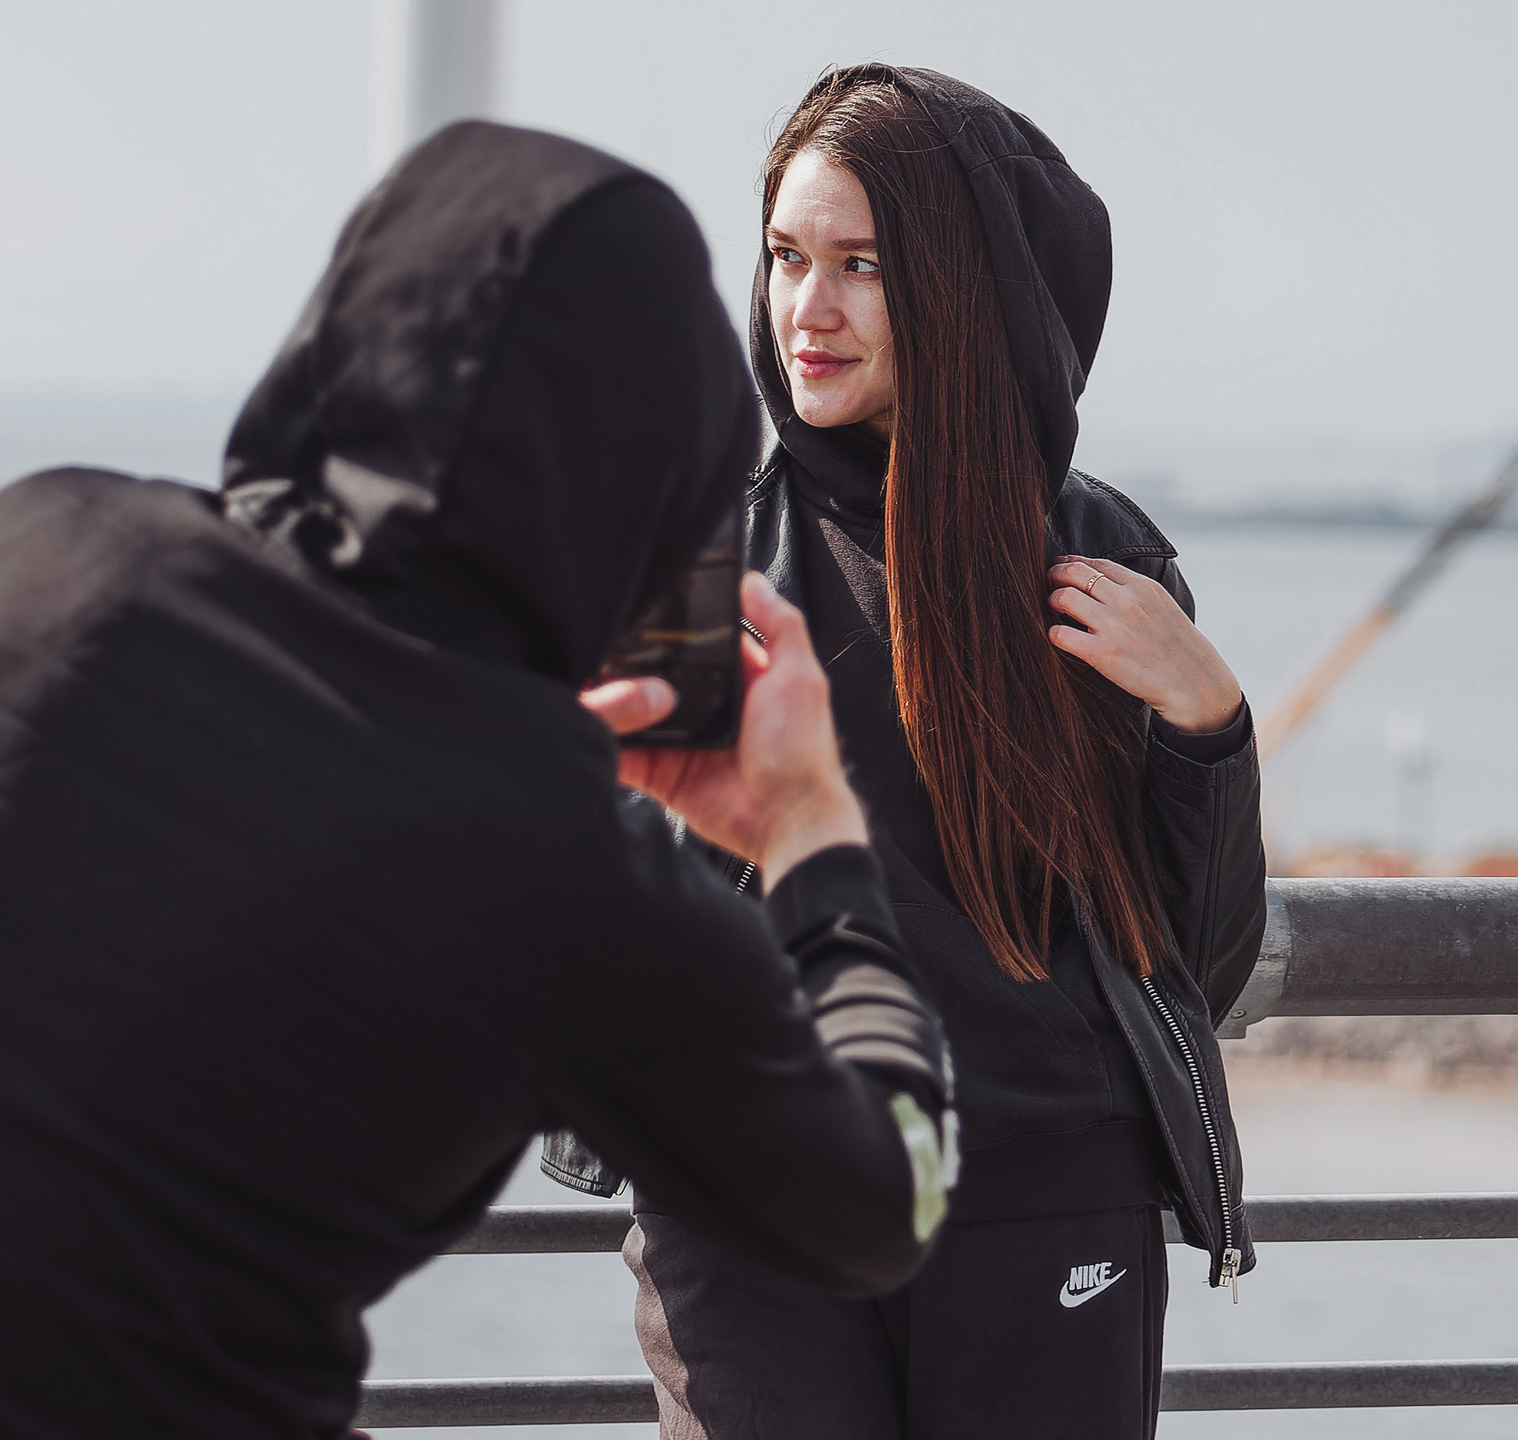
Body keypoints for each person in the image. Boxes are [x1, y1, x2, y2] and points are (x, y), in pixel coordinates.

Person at [0, 121, 960, 1440]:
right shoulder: (557, 867)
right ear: (653, 496)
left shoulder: (33, 542)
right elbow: (881, 1203)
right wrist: (809, 835)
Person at [540, 65, 1268, 1439]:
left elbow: (1199, 961)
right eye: (784, 256)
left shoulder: (1102, 563)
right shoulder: (689, 556)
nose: (806, 310)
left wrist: (1208, 729)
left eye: (862, 265)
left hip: (1049, 1200)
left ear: (965, 281)